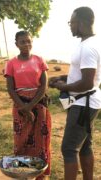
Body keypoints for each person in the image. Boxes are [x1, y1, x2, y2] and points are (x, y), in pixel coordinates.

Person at [49, 7, 101, 180]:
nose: (70, 26)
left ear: (81, 23)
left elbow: (86, 82)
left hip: (83, 104)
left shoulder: (88, 48)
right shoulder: (88, 43)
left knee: (69, 149)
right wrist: (62, 77)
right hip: (86, 102)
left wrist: (62, 87)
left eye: (72, 22)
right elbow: (81, 74)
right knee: (85, 146)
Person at [4, 31, 51, 180]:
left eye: (29, 41)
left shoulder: (39, 60)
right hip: (20, 107)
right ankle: (23, 175)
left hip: (39, 106)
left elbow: (44, 86)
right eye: (22, 41)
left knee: (41, 142)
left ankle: (40, 176)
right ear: (16, 44)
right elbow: (10, 88)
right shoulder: (11, 63)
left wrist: (30, 106)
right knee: (21, 141)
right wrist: (24, 108)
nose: (26, 44)